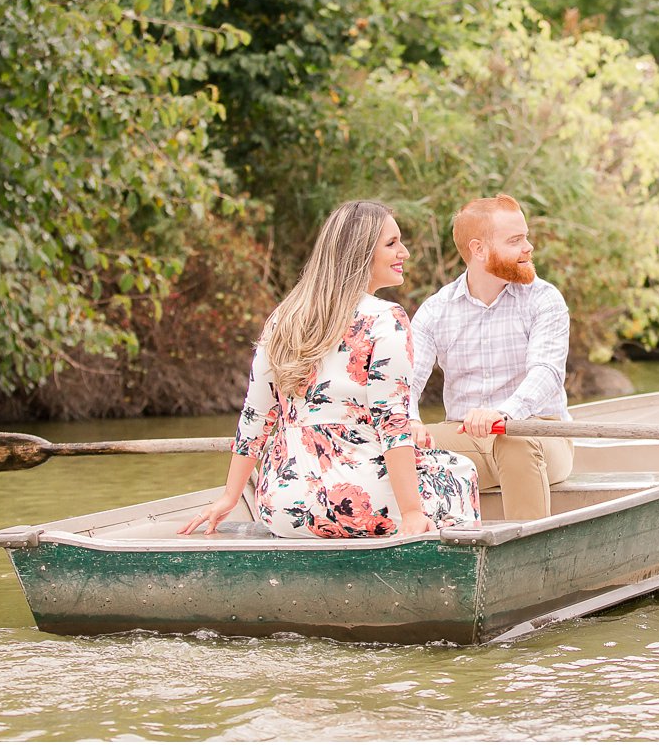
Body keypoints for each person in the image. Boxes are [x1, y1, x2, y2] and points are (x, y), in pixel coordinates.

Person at [180, 200, 479, 538]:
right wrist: (411, 513)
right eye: (392, 243)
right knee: (458, 469)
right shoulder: (385, 318)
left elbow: (256, 415)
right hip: (360, 501)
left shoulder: (283, 317)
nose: (405, 252)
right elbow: (392, 423)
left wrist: (229, 496)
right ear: (361, 252)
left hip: (282, 503)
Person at [408, 194, 573, 521]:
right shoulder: (435, 311)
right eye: (516, 240)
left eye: (526, 237)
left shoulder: (544, 299)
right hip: (465, 437)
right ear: (478, 249)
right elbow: (406, 381)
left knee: (513, 441)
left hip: (540, 434)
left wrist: (503, 414)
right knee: (400, 450)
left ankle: (525, 558)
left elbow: (546, 373)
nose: (529, 247)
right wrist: (410, 420)